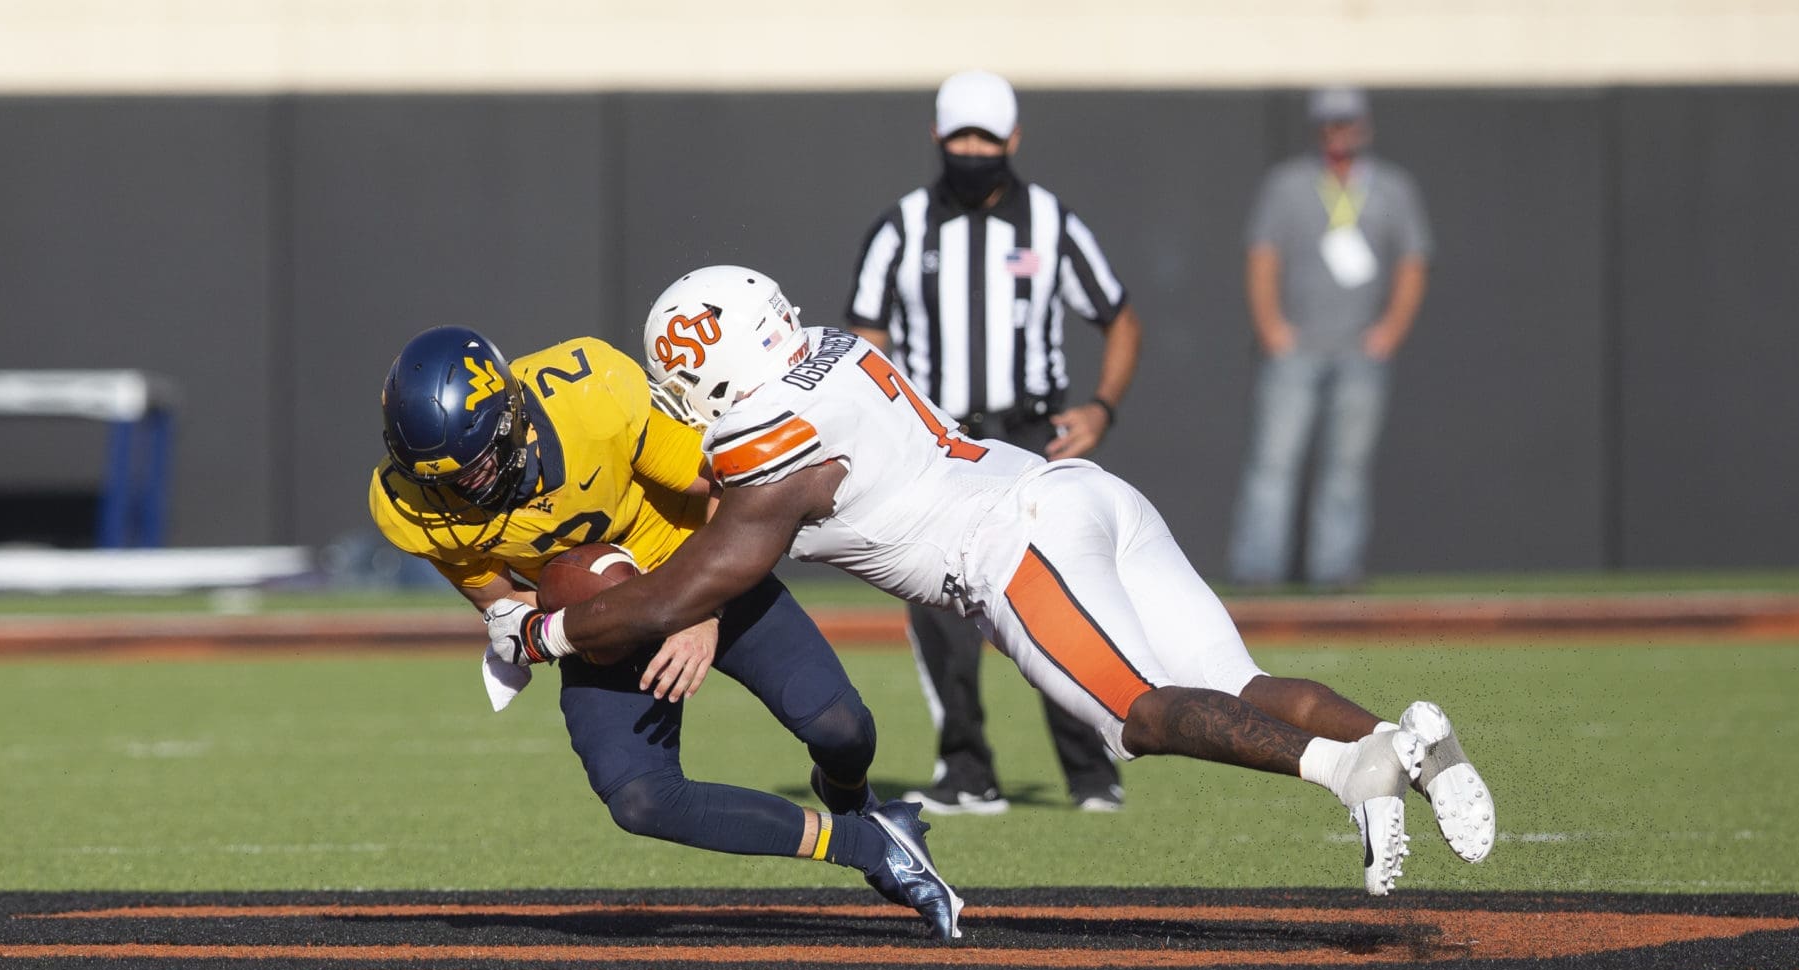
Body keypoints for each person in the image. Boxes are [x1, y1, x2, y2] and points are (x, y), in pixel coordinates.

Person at [486, 268, 1497, 897]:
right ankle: (1406, 747)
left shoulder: (766, 443)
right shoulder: (837, 352)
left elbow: (670, 598)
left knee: (1135, 718)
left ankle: (1345, 773)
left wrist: (540, 636)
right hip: (1074, 493)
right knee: (1234, 687)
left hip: (1013, 549)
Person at [370, 324, 963, 939]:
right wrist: (524, 627)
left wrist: (699, 611)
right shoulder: (409, 505)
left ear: (512, 418)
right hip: (607, 625)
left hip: (701, 568)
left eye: (478, 464)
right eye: (438, 478)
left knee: (842, 730)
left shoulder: (592, 396)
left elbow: (732, 486)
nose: (461, 488)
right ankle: (871, 845)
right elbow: (500, 600)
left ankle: (851, 796)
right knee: (640, 799)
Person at [845, 69, 1141, 816]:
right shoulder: (901, 227)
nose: (973, 150)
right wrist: (888, 430)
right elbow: (864, 339)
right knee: (937, 603)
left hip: (1030, 432)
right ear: (939, 139)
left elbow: (1119, 317)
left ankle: (1091, 773)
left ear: (1013, 139)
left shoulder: (1050, 223)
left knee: (1058, 596)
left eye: (986, 136)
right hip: (938, 441)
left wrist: (1101, 408)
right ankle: (966, 771)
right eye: (961, 137)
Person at [1226, 86, 1432, 589]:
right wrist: (1270, 325)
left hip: (1360, 348)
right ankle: (1259, 569)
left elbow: (1413, 261)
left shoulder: (1391, 188)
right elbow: (1262, 256)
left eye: (1347, 123)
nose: (1338, 133)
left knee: (1347, 469)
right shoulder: (1290, 185)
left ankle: (1335, 571)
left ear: (1364, 126)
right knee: (1274, 462)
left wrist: (1391, 330)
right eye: (1329, 124)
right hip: (1297, 348)